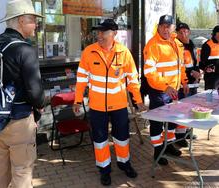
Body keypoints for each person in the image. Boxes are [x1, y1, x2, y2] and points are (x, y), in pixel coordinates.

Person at [73, 19, 147, 186]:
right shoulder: (89, 52)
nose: (99, 35)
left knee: (122, 138)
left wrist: (138, 100)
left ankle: (124, 164)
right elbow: (81, 80)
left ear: (114, 33)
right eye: (98, 32)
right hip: (97, 107)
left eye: (103, 32)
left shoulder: (124, 52)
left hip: (119, 106)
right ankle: (104, 169)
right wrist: (78, 100)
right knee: (100, 140)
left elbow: (133, 79)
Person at [0, 0, 45, 187]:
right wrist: (40, 107)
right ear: (21, 20)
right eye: (34, 20)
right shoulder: (25, 50)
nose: (36, 25)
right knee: (21, 172)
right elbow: (35, 94)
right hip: (18, 122)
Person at [143, 15, 189, 166]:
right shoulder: (153, 45)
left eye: (168, 26)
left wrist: (184, 82)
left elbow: (180, 66)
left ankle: (168, 146)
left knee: (171, 120)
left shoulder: (176, 43)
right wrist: (165, 86)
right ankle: (157, 151)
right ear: (159, 26)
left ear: (172, 28)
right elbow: (149, 72)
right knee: (157, 123)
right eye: (163, 26)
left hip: (174, 90)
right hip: (160, 92)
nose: (165, 29)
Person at [175, 22, 201, 147]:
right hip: (182, 84)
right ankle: (180, 136)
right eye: (181, 32)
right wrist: (192, 73)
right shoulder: (176, 46)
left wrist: (198, 73)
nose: (184, 34)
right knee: (182, 111)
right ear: (177, 34)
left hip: (193, 84)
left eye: (186, 31)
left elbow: (195, 63)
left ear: (189, 32)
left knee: (191, 110)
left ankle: (187, 132)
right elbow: (180, 67)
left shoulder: (192, 45)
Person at [200, 25, 219, 90]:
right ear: (214, 34)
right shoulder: (207, 45)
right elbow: (202, 62)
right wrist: (206, 68)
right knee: (210, 98)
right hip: (211, 78)